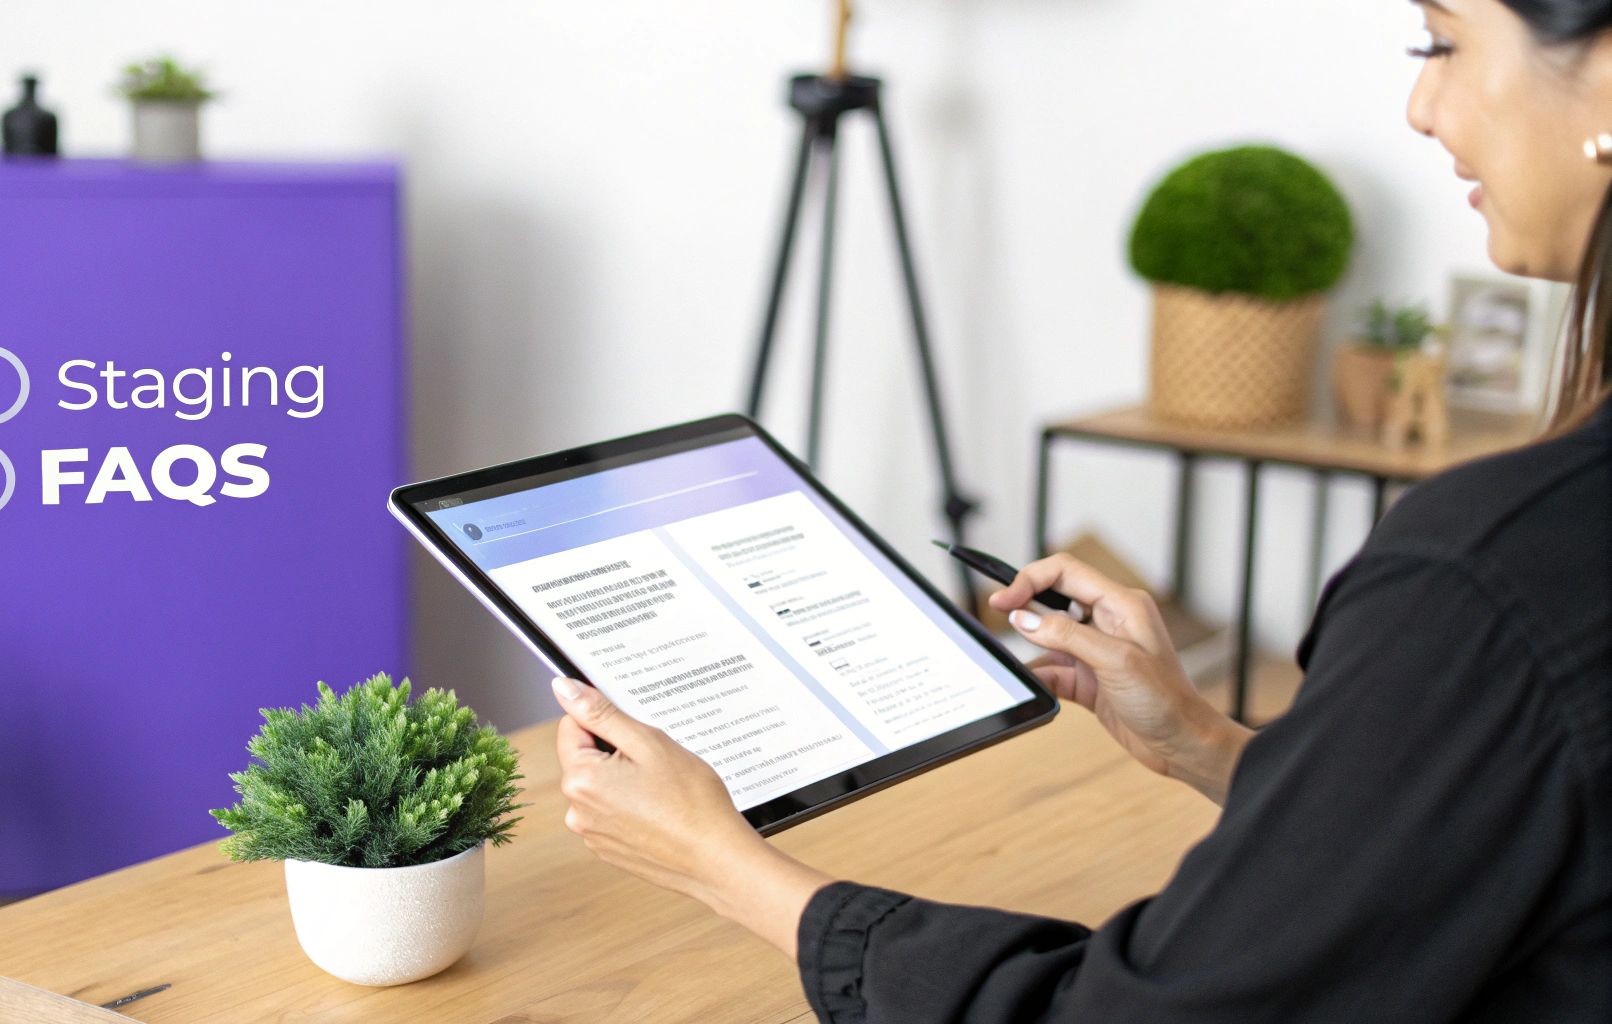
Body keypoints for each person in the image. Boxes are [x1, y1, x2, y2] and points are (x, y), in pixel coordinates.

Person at [548, 0, 1612, 1018]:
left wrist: (723, 865)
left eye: (1440, 42)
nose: (1419, 108)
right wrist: (1199, 738)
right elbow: (1449, 840)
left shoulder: (1488, 574)